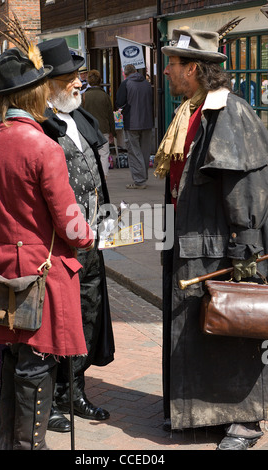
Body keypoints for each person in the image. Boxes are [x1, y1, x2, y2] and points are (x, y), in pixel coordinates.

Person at [0, 47, 94, 450]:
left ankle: (7, 442)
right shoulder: (44, 147)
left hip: (0, 266)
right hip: (42, 272)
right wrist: (88, 236)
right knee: (37, 363)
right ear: (31, 95)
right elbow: (70, 221)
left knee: (14, 357)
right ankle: (28, 446)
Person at [156, 26, 268, 451]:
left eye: (173, 63)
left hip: (220, 245)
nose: (166, 71)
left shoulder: (229, 112)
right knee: (196, 332)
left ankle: (245, 422)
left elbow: (243, 184)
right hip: (188, 241)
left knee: (233, 326)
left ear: (196, 69)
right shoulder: (192, 110)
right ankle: (197, 412)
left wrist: (246, 246)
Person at [38, 38, 115, 431]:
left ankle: (75, 392)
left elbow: (97, 173)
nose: (78, 84)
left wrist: (107, 215)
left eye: (79, 76)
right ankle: (48, 399)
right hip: (56, 243)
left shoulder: (81, 117)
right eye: (71, 78)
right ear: (50, 84)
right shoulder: (39, 123)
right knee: (55, 320)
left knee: (88, 314)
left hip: (90, 240)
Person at [115, 64, 153, 189]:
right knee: (144, 151)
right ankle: (143, 176)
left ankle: (139, 180)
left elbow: (119, 102)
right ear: (136, 71)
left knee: (134, 151)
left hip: (132, 122)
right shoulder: (147, 84)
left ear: (125, 73)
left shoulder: (126, 84)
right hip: (147, 121)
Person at [83, 69, 116, 177]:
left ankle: (93, 175)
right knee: (104, 154)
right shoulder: (105, 96)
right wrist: (112, 131)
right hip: (104, 129)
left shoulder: (84, 96)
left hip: (89, 130)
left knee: (91, 153)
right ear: (100, 81)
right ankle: (104, 176)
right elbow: (110, 115)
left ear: (88, 81)